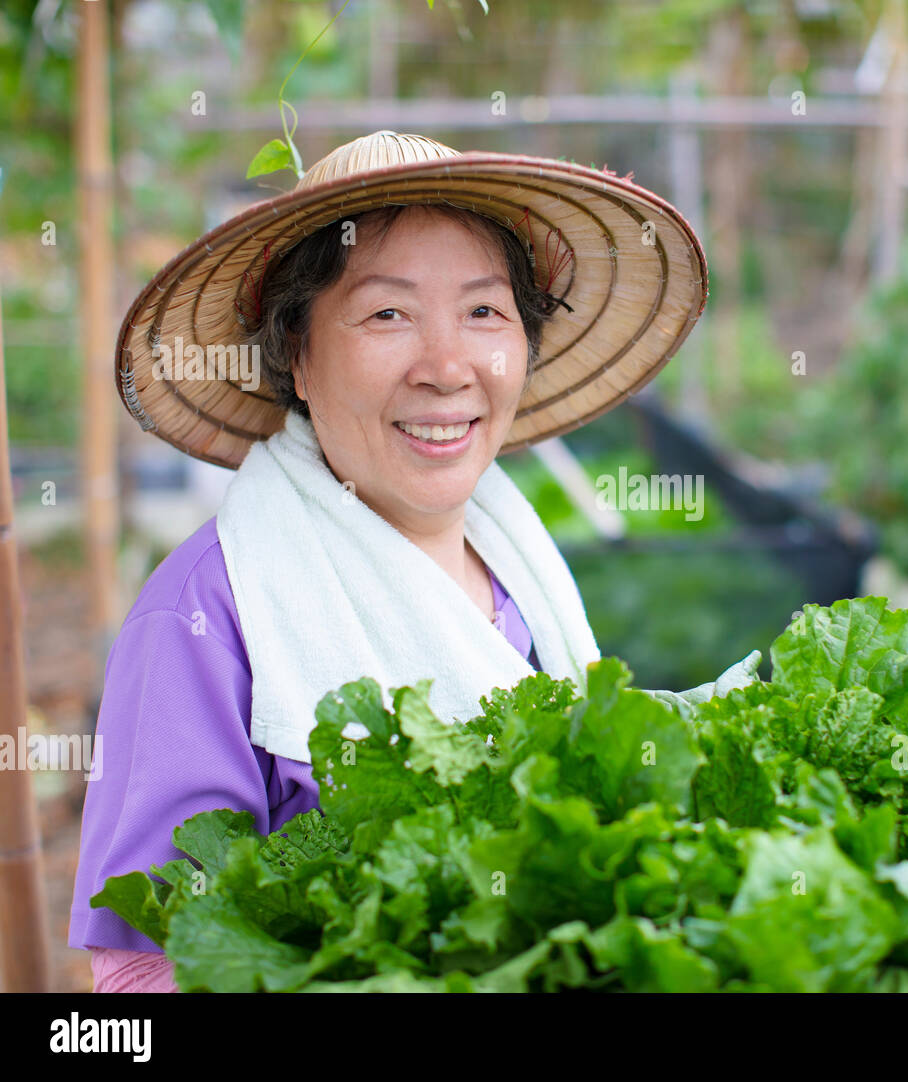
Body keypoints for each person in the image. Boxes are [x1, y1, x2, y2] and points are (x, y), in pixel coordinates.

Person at [68, 130, 759, 992]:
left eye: (483, 312)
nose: (446, 368)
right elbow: (140, 976)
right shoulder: (205, 616)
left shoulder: (522, 569)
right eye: (387, 314)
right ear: (299, 357)